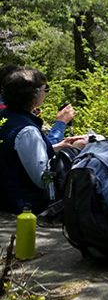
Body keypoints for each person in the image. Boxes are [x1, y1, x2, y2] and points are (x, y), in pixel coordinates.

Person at [0, 68, 86, 214]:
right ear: (34, 94)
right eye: (45, 89)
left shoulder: (6, 117)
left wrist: (59, 147)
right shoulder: (27, 130)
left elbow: (15, 156)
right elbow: (43, 180)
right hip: (24, 207)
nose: (46, 93)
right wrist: (72, 151)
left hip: (6, 198)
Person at [0, 64, 76, 143]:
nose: (46, 92)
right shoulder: (26, 128)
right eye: (45, 88)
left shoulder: (8, 112)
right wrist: (61, 122)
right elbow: (42, 149)